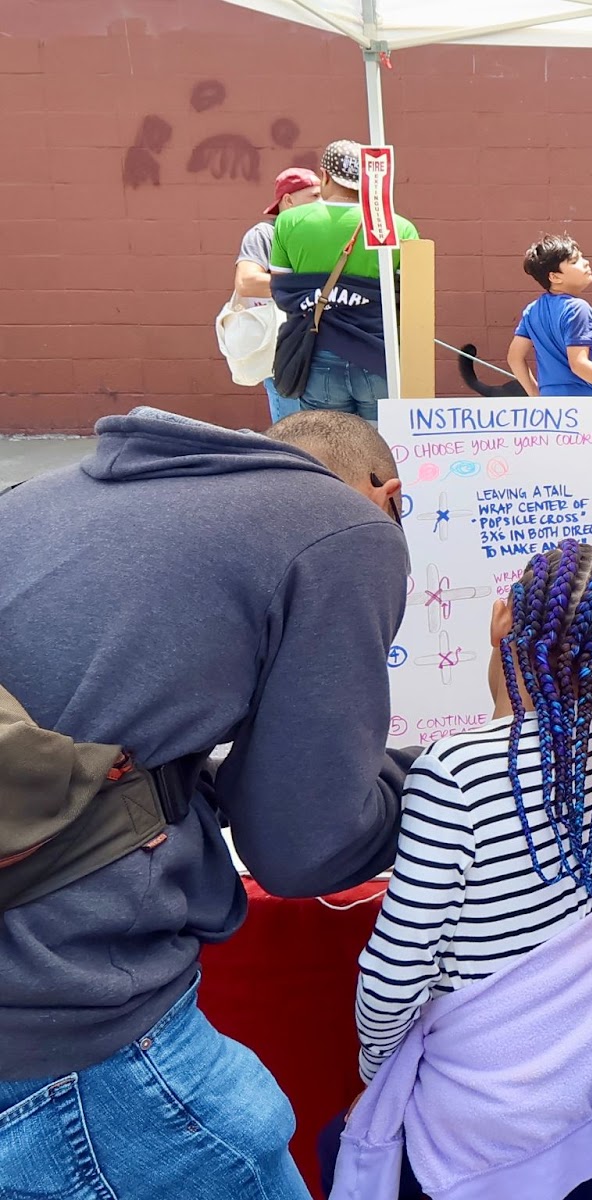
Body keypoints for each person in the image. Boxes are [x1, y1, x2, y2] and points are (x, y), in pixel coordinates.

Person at [0, 407, 415, 1200]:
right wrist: (439, 788)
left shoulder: (43, 497)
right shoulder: (344, 531)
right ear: (385, 494)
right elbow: (304, 849)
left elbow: (117, 745)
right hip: (76, 1039)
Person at [321, 539, 592, 1200]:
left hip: (508, 1097)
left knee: (334, 1150)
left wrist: (380, 1070)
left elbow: (396, 968)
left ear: (501, 618)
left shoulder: (453, 770)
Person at [271, 139, 420, 421]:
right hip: (381, 358)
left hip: (318, 355)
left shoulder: (289, 222)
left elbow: (282, 290)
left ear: (325, 175)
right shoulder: (399, 227)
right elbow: (412, 299)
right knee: (382, 451)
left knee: (331, 451)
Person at [235, 166, 321, 422]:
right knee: (294, 433)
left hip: (324, 346)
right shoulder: (265, 234)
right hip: (285, 347)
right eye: (314, 197)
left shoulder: (320, 235)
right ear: (288, 200)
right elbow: (247, 282)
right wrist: (309, 287)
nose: (322, 204)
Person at [508, 234, 592, 397]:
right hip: (586, 405)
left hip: (552, 409)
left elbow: (514, 358)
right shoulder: (577, 309)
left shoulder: (532, 310)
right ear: (554, 277)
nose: (586, 262)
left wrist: (536, 395)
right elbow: (579, 364)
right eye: (574, 261)